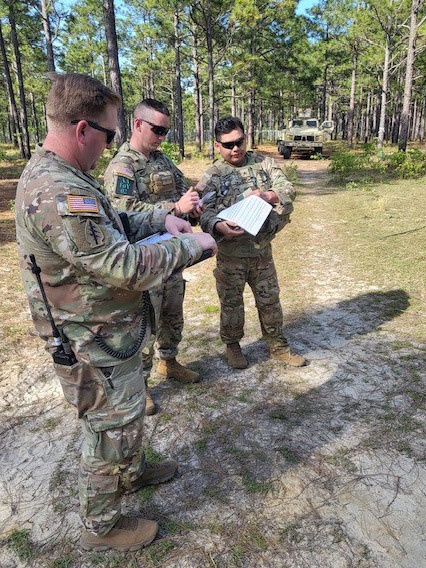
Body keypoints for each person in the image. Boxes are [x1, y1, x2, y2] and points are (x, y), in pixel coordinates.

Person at [15, 73, 217, 552]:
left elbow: (112, 222)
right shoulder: (57, 189)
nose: (111, 145)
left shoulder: (69, 174)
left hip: (109, 329)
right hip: (89, 337)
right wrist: (192, 244)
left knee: (124, 417)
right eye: (108, 134)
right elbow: (119, 264)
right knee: (107, 429)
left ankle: (135, 469)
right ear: (83, 129)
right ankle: (101, 527)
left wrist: (158, 218)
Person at [104, 99, 202, 415]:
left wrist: (192, 204)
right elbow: (123, 212)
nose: (162, 136)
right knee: (145, 322)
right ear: (137, 125)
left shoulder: (161, 161)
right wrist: (172, 210)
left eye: (166, 130)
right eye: (157, 129)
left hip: (172, 255)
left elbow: (181, 192)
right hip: (144, 260)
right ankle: (141, 384)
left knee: (172, 312)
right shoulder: (123, 166)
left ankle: (169, 361)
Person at [198, 116, 306, 369]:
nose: (235, 149)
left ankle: (277, 346)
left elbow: (287, 188)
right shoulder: (213, 175)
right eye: (228, 145)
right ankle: (233, 346)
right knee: (231, 303)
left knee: (270, 300)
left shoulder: (264, 164)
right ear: (217, 146)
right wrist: (217, 225)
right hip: (230, 254)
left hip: (261, 251)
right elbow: (203, 214)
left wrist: (268, 195)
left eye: (238, 142)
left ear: (245, 138)